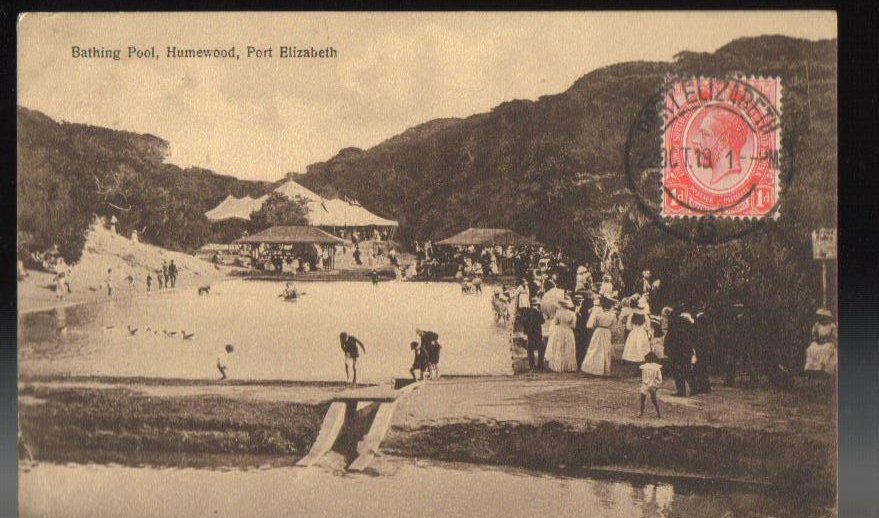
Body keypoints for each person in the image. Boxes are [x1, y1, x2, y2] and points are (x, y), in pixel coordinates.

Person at [581, 295, 618, 376]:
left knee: (595, 349)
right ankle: (604, 370)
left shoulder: (597, 312)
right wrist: (613, 335)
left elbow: (591, 324)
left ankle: (593, 369)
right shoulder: (613, 315)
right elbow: (614, 327)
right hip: (607, 332)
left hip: (599, 331)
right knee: (605, 350)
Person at [664, 307, 695, 396]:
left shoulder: (673, 323)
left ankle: (681, 391)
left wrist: (667, 350)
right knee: (687, 369)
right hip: (686, 349)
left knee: (678, 371)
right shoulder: (688, 323)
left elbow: (669, 338)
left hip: (676, 350)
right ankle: (694, 388)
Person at [546, 297, 579, 372]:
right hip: (568, 331)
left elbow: (556, 323)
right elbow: (573, 326)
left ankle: (559, 365)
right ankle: (568, 366)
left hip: (560, 330)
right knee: (568, 348)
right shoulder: (573, 314)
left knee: (559, 347)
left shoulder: (558, 313)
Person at [805, 309, 837, 376]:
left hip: (828, 343)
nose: (822, 318)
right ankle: (812, 368)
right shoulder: (817, 325)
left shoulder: (832, 326)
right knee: (812, 346)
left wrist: (828, 340)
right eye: (821, 316)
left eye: (823, 316)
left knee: (828, 347)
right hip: (819, 343)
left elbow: (834, 338)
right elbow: (814, 336)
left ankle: (823, 367)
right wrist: (816, 340)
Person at [622, 305, 653, 369]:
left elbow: (628, 326)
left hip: (634, 332)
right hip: (642, 333)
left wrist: (633, 327)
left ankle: (634, 365)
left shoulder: (632, 314)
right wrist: (644, 328)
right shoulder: (645, 315)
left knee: (633, 348)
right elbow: (648, 327)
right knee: (642, 348)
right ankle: (641, 364)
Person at [522, 296, 546, 371]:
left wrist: (525, 332)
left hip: (530, 334)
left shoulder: (527, 311)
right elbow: (543, 321)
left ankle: (532, 366)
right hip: (538, 333)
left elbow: (524, 322)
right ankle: (540, 365)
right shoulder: (538, 312)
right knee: (541, 348)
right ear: (536, 305)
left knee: (530, 349)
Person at [638, 352, 663, 418]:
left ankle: (641, 414)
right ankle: (659, 414)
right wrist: (657, 385)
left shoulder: (644, 367)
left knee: (642, 400)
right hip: (653, 385)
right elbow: (660, 379)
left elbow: (643, 377)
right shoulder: (657, 367)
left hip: (645, 385)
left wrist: (644, 383)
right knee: (654, 401)